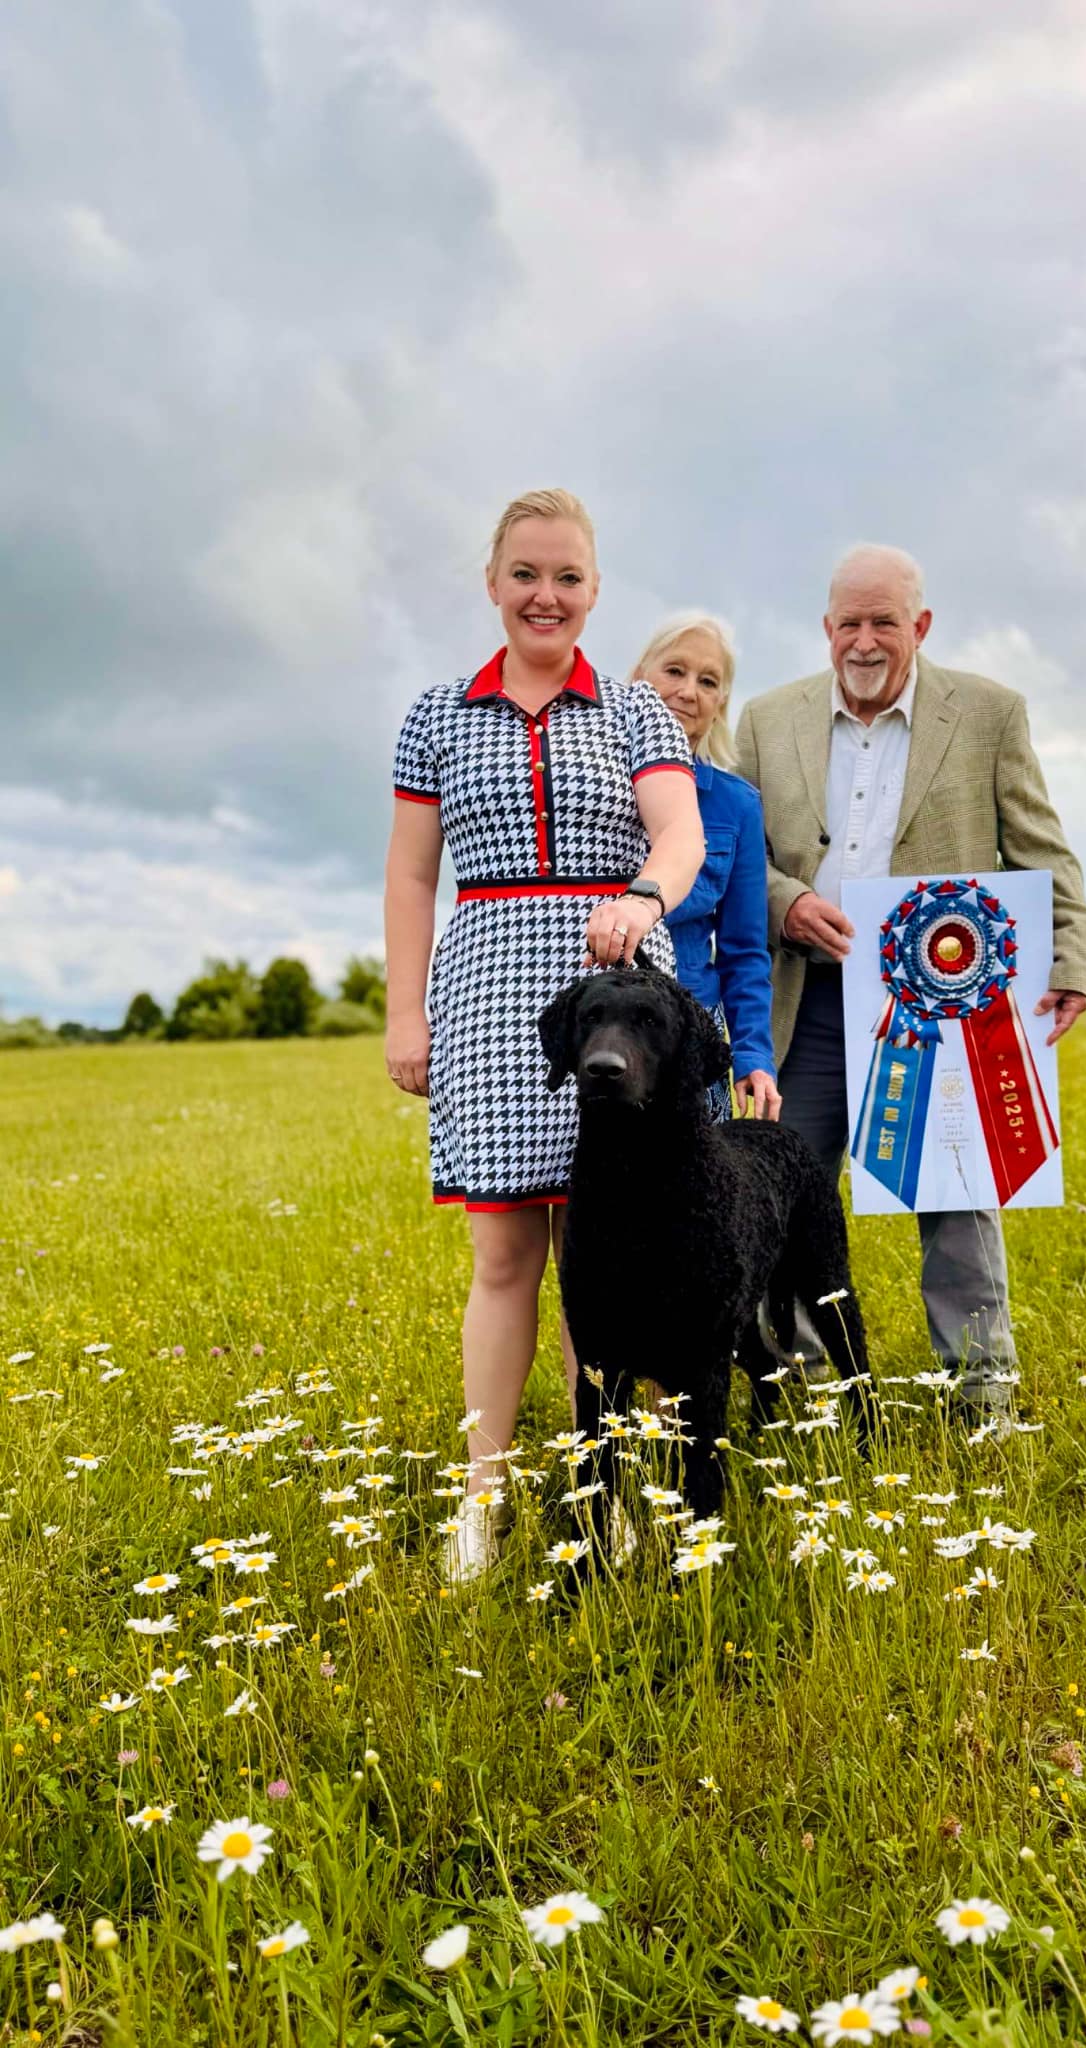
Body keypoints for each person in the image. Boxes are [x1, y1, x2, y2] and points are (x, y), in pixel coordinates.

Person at [384, 488, 704, 1580]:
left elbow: (679, 834)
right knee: (504, 1253)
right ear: (493, 582)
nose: (545, 595)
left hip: (616, 995)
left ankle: (602, 1487)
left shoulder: (635, 710)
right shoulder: (436, 715)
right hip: (485, 997)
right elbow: (412, 876)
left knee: (604, 1258)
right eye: (525, 573)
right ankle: (481, 1496)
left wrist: (644, 898)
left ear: (594, 591)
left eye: (567, 576)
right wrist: (406, 1011)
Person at [734, 543, 1086, 1414]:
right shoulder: (765, 719)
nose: (863, 642)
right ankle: (802, 1388)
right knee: (782, 1195)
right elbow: (738, 855)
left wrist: (1071, 960)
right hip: (808, 1001)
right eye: (848, 624)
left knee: (958, 1196)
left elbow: (1042, 852)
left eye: (883, 623)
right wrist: (786, 902)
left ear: (920, 625)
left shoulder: (989, 713)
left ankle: (981, 1392)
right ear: (825, 627)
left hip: (944, 1008)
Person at [630, 612, 780, 1122]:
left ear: (721, 704)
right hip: (605, 1024)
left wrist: (753, 1055)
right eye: (674, 671)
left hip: (691, 1031)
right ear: (639, 677)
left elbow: (744, 952)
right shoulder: (594, 786)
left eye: (708, 681)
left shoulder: (738, 806)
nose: (688, 691)